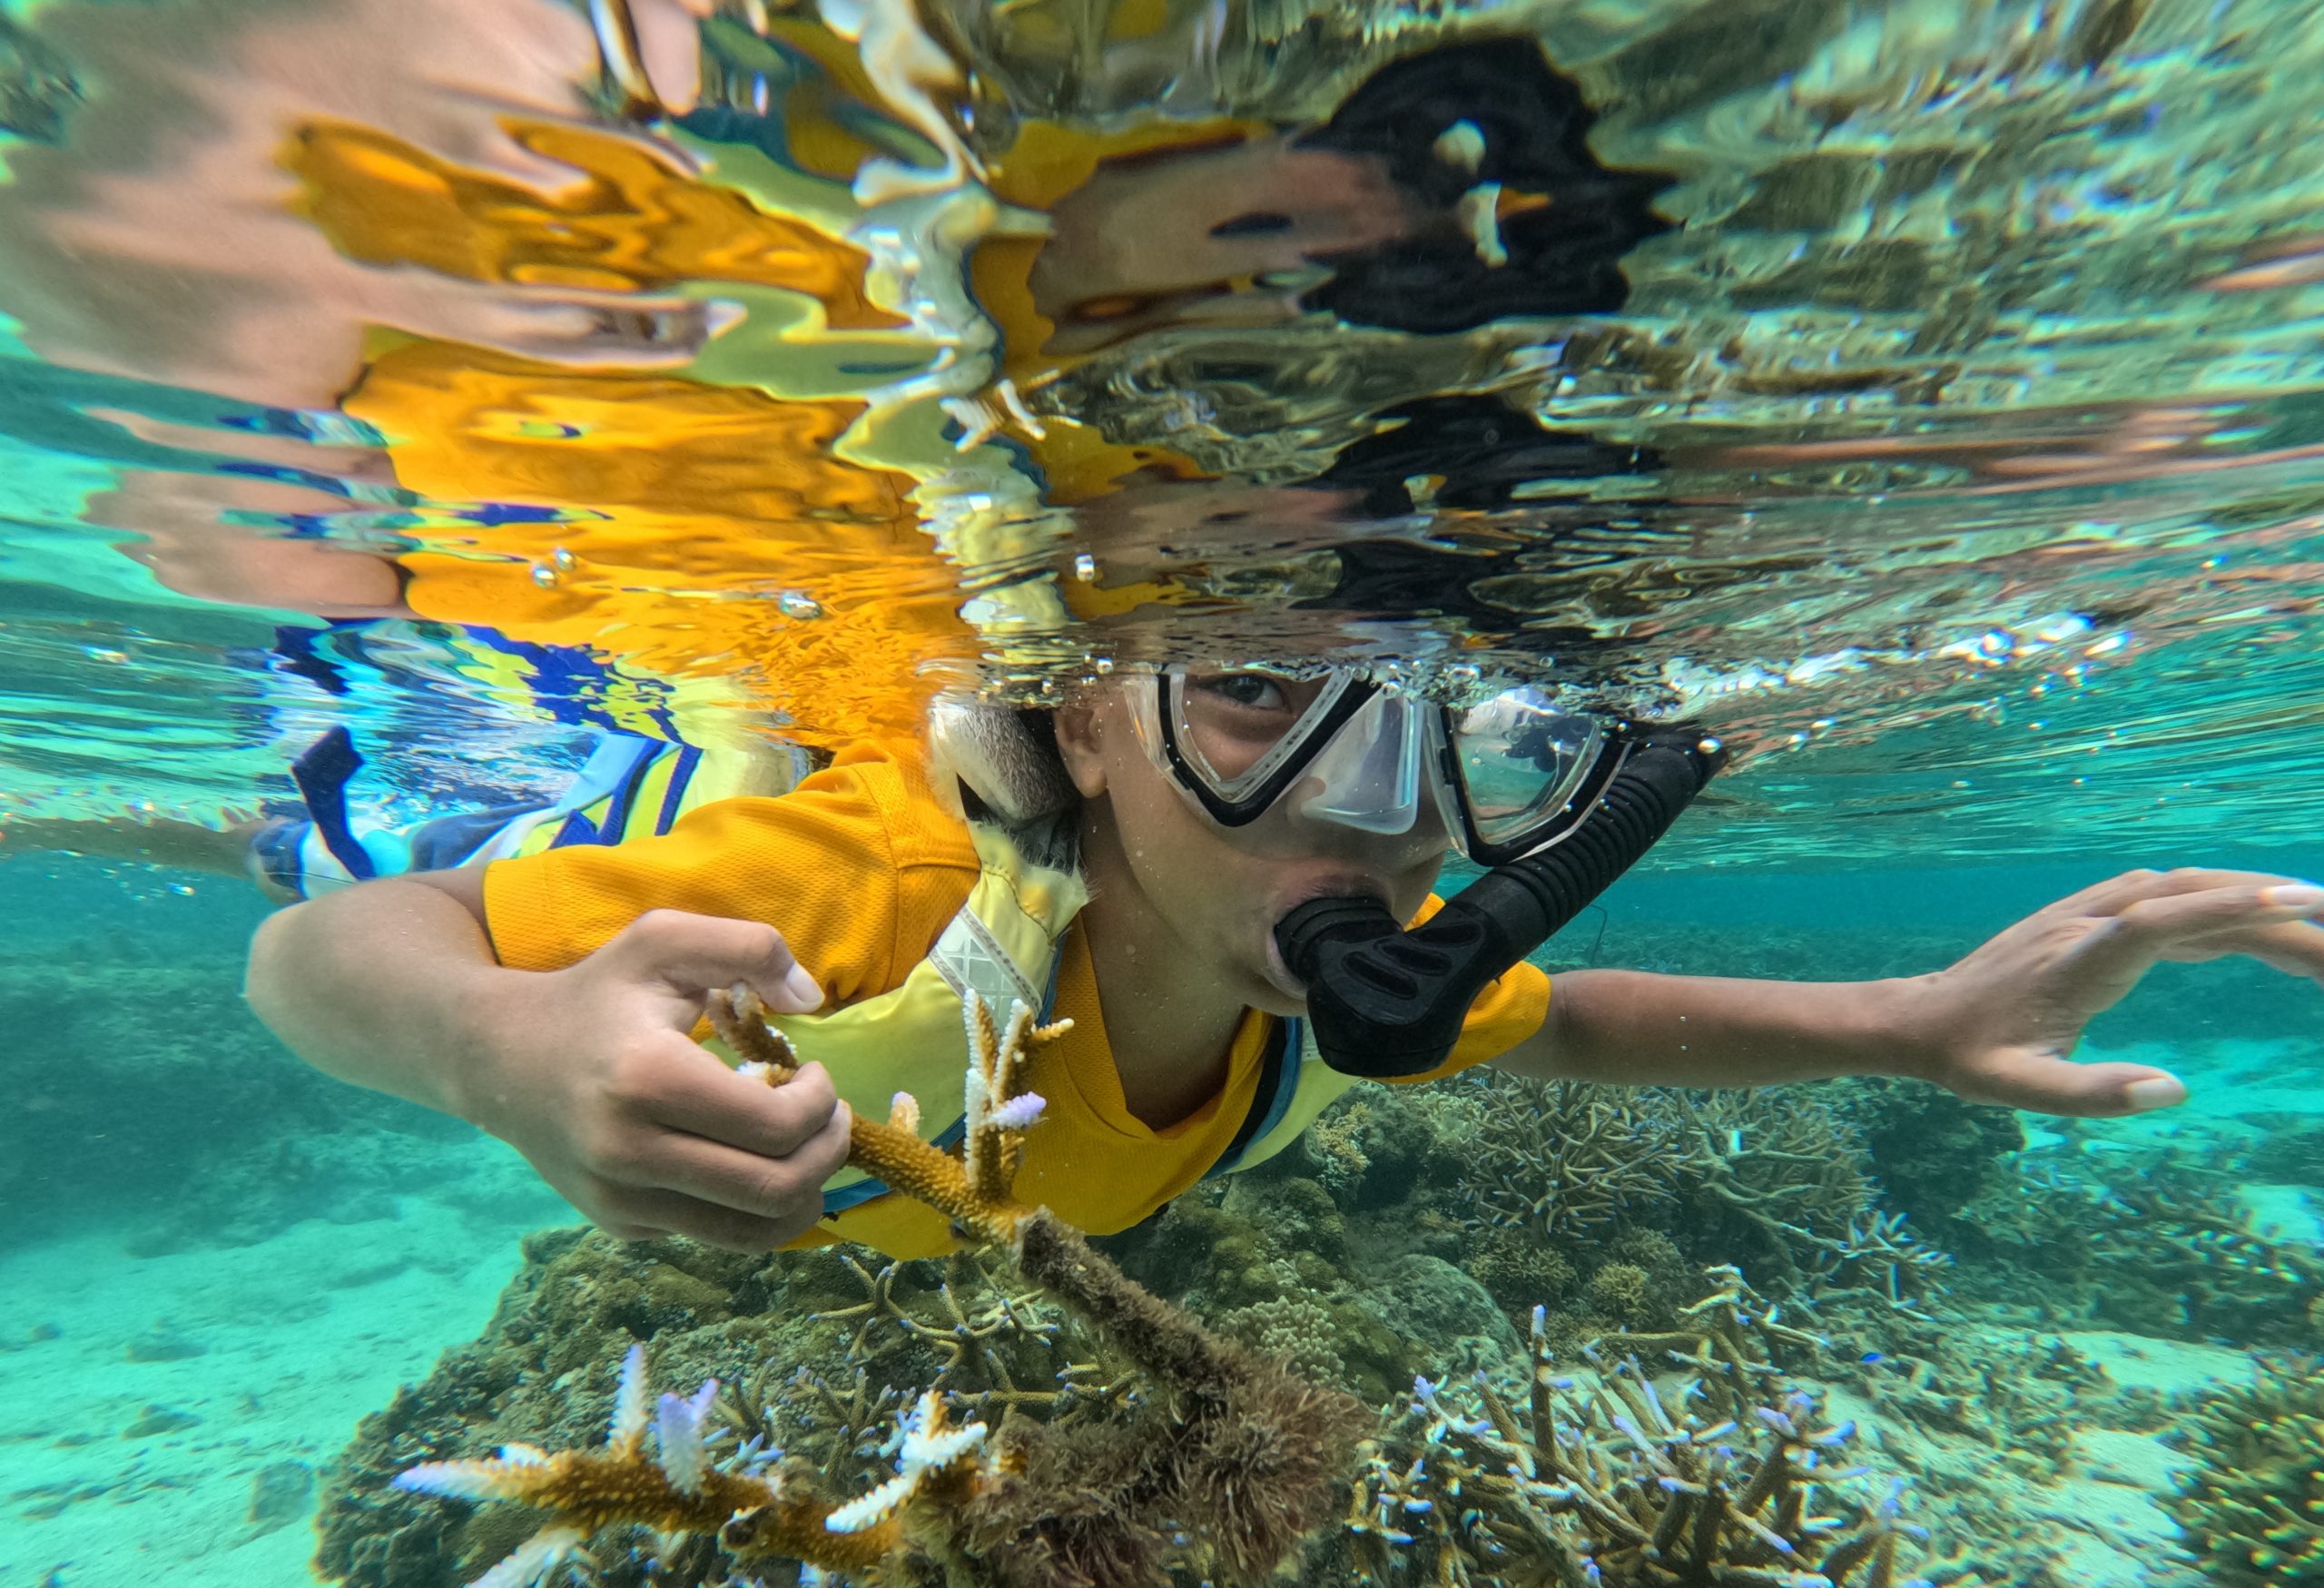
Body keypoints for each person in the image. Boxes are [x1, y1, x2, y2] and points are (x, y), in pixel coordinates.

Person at [243, 668, 2324, 1260]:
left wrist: (1913, 1024)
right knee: (331, 821)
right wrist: (499, 1040)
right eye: (1261, 697)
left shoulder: (1343, 971)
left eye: (1478, 737)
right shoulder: (860, 897)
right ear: (1071, 717)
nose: (1391, 815)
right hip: (521, 814)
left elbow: (1565, 1012)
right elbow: (314, 952)